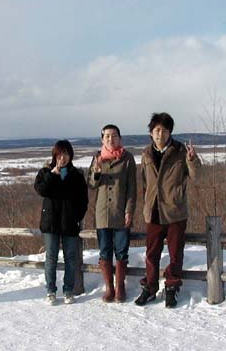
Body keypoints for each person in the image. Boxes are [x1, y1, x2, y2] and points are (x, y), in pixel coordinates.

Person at [134, 112, 201, 308]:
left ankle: (171, 287)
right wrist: (146, 203)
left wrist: (192, 160)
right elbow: (145, 182)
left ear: (170, 131)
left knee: (175, 254)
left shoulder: (180, 151)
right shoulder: (146, 153)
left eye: (163, 130)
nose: (159, 134)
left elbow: (197, 177)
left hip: (175, 211)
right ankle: (150, 287)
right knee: (151, 253)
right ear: (151, 133)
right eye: (156, 130)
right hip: (153, 211)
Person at [34, 140, 88, 305]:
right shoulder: (45, 172)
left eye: (65, 154)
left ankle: (68, 290)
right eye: (59, 154)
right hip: (51, 223)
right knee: (51, 257)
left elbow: (83, 200)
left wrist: (76, 216)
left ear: (70, 155)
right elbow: (41, 190)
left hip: (70, 223)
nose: (62, 158)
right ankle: (51, 291)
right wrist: (53, 173)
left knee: (71, 258)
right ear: (54, 155)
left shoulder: (77, 175)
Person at [87, 124, 137, 303]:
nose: (110, 139)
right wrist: (97, 173)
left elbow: (132, 189)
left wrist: (129, 211)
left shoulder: (128, 158)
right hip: (102, 213)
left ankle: (120, 286)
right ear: (102, 139)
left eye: (114, 135)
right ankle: (109, 287)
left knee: (122, 252)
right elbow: (91, 185)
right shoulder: (97, 157)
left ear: (119, 138)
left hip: (120, 212)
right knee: (104, 251)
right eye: (107, 136)